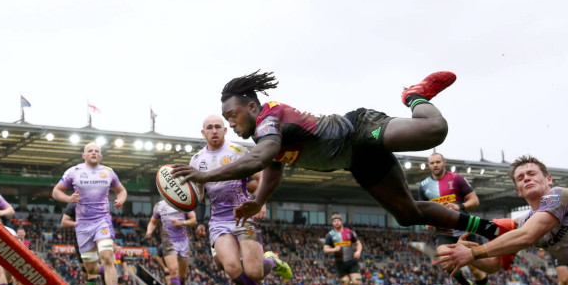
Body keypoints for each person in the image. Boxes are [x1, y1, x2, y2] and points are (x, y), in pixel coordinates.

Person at [171, 70, 513, 242]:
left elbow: (263, 159)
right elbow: (273, 169)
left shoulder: (270, 116)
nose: (231, 124)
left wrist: (204, 176)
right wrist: (259, 202)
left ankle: (413, 96)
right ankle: (489, 228)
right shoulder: (264, 134)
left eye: (232, 116)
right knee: (408, 215)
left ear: (250, 106)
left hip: (361, 129)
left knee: (435, 131)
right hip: (358, 161)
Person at [436, 155, 568, 285]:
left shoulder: (560, 195)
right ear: (518, 190)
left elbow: (527, 236)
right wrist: (466, 255)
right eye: (520, 177)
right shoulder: (523, 222)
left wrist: (473, 253)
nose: (526, 178)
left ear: (548, 179)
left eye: (532, 173)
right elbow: (494, 265)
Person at [189, 115, 292, 285]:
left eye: (218, 127)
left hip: (243, 216)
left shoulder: (238, 152)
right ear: (203, 133)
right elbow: (198, 195)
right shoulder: (196, 160)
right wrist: (200, 221)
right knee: (231, 267)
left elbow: (262, 177)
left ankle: (270, 260)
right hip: (218, 220)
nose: (214, 130)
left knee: (255, 272)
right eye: (209, 127)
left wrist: (259, 202)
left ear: (225, 130)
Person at [419, 153, 497, 285]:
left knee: (476, 270)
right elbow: (423, 211)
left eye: (438, 162)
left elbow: (474, 201)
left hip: (464, 228)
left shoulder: (457, 179)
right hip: (443, 231)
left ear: (444, 163)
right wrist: (427, 221)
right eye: (432, 163)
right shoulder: (423, 186)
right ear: (428, 165)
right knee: (445, 262)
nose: (435, 165)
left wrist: (459, 205)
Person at [52, 142, 127, 285]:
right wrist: (68, 199)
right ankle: (109, 274)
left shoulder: (108, 172)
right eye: (90, 151)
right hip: (83, 225)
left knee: (107, 257)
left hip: (103, 221)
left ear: (100, 156)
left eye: (97, 151)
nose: (93, 153)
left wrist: (120, 200)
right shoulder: (73, 172)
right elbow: (56, 191)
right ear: (83, 155)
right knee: (91, 268)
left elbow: (121, 191)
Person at [146, 200, 197, 285]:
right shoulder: (159, 205)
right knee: (173, 271)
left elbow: (194, 221)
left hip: (183, 242)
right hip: (168, 241)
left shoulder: (184, 202)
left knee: (182, 276)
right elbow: (153, 221)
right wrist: (149, 230)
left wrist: (182, 223)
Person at [323, 213, 363, 285]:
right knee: (346, 284)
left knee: (357, 283)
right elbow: (325, 249)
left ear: (341, 221)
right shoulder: (330, 235)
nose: (336, 222)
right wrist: (334, 249)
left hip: (351, 262)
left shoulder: (350, 232)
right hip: (339, 263)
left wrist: (358, 251)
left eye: (338, 220)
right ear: (332, 223)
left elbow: (358, 244)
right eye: (334, 221)